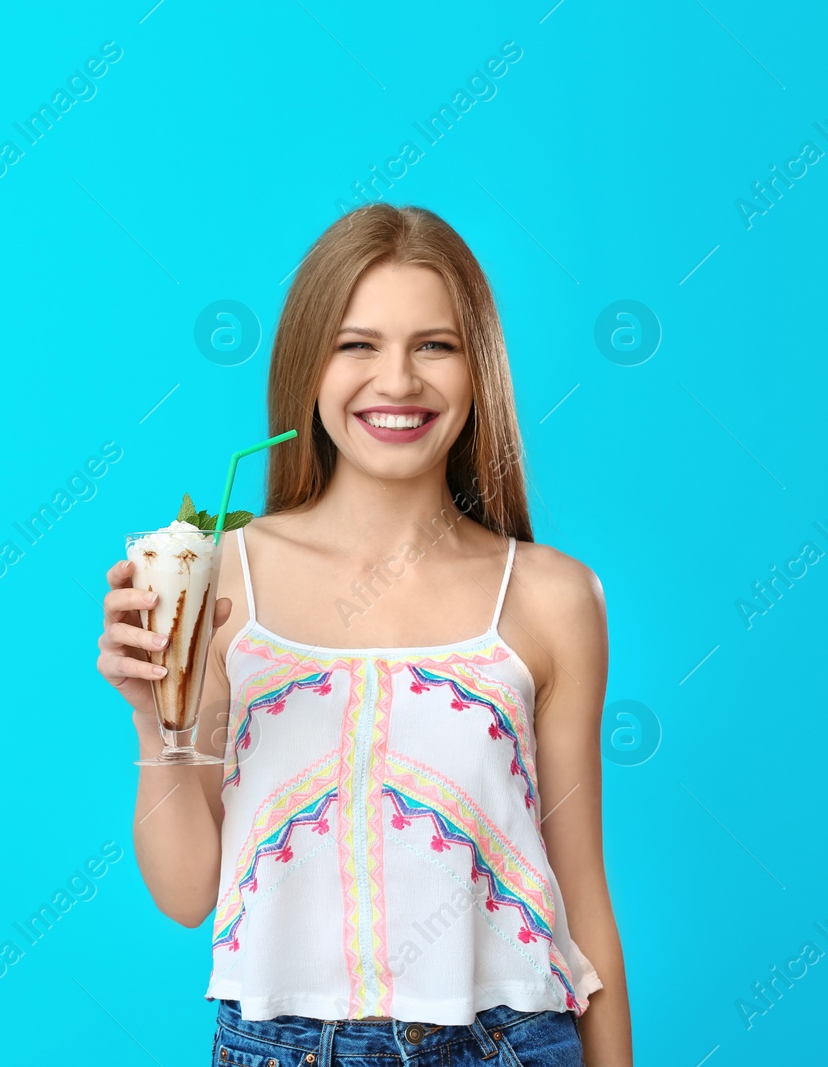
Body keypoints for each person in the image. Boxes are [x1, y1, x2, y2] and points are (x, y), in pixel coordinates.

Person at [95, 203, 631, 1065]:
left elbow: (583, 894)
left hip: (510, 1041)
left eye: (436, 345)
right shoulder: (219, 581)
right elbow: (189, 890)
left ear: (478, 369)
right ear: (308, 366)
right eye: (357, 345)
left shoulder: (554, 598)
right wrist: (153, 719)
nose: (398, 381)